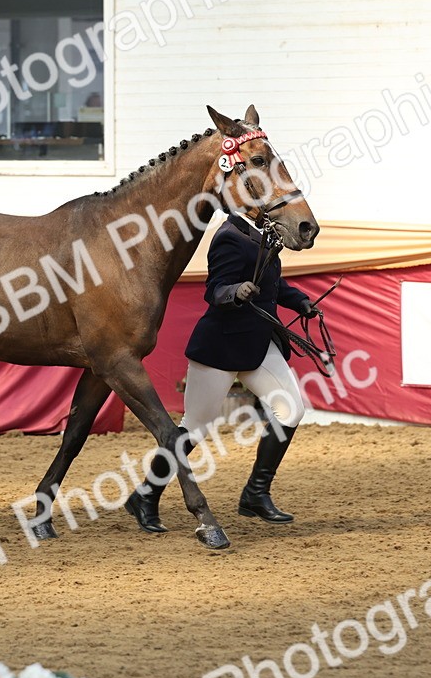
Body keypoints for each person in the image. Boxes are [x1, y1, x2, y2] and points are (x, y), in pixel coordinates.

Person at [126, 207, 319, 532]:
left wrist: (300, 301)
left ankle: (256, 493)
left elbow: (272, 284)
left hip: (258, 343)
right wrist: (235, 291)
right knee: (194, 428)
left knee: (291, 410)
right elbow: (214, 288)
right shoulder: (229, 237)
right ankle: (145, 495)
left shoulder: (263, 235)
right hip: (221, 346)